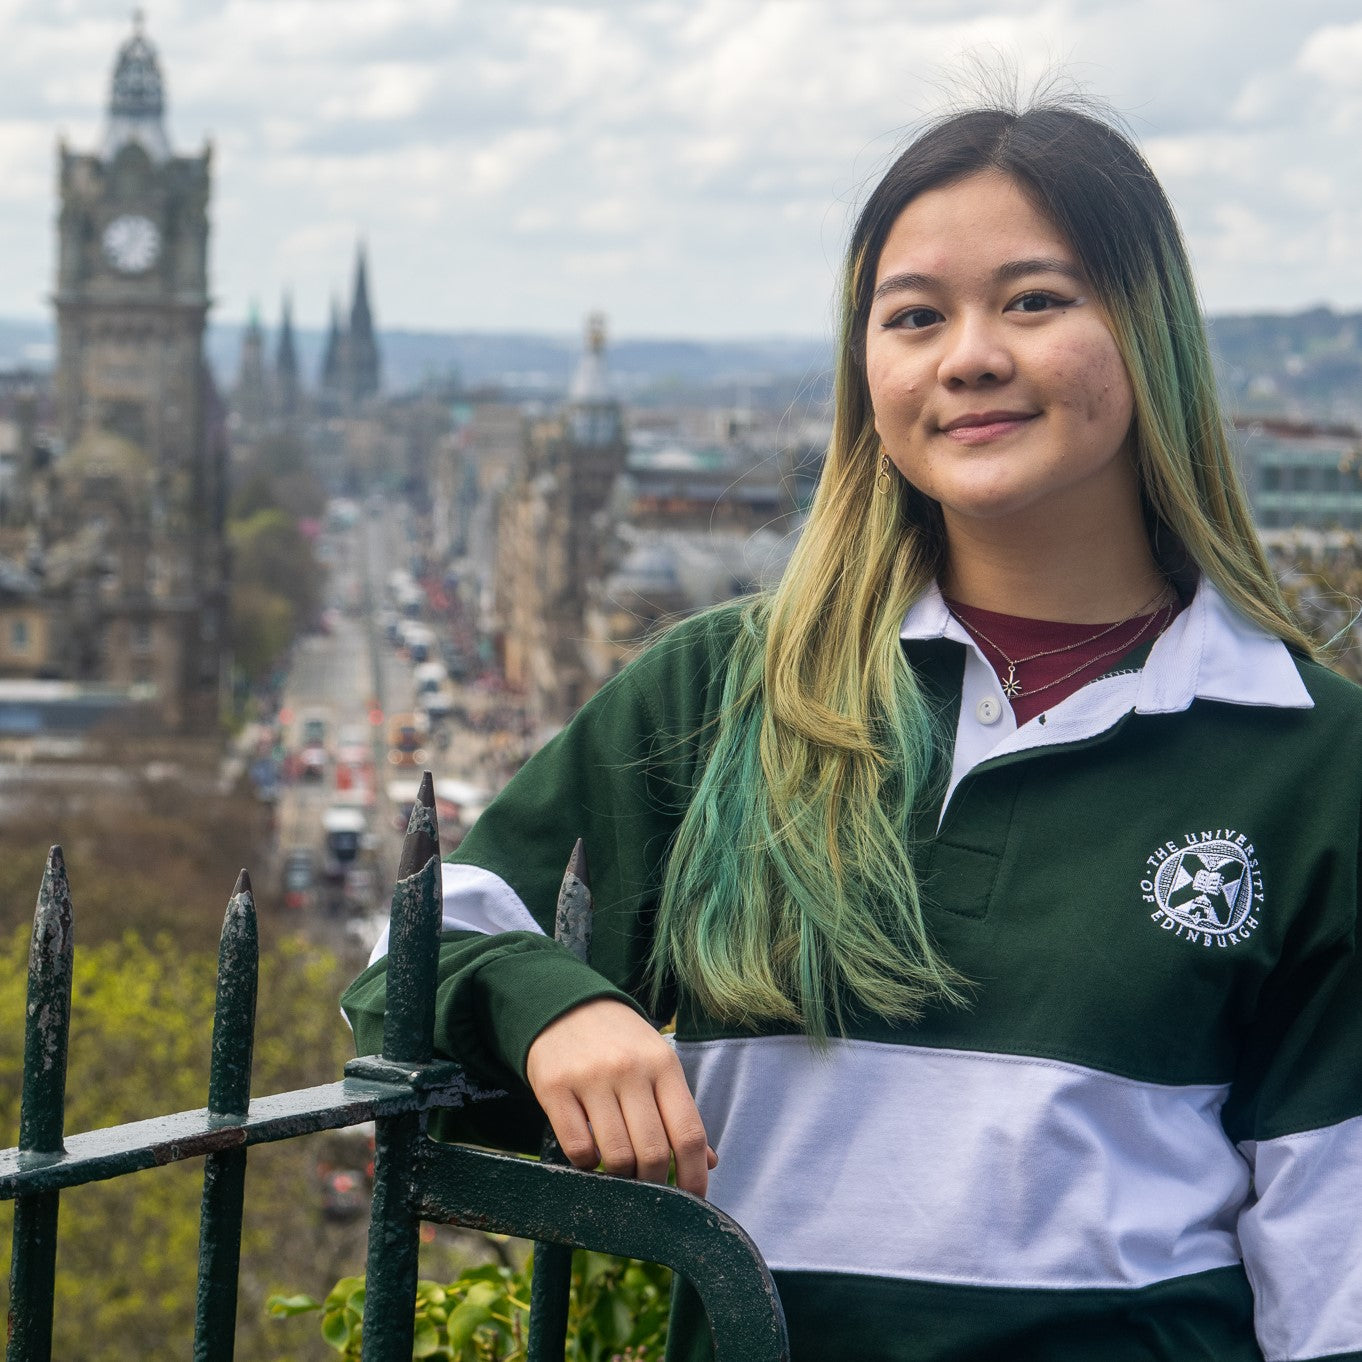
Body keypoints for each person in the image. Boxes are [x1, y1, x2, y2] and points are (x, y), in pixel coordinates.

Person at [343, 99, 1362, 1362]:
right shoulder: (722, 692)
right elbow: (423, 941)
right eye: (915, 316)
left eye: (1036, 300)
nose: (970, 356)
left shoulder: (1317, 766)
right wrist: (556, 1007)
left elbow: (1336, 1257)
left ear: (1147, 333)